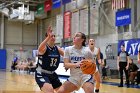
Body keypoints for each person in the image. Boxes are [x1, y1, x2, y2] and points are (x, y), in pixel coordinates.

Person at [35, 26, 64, 93]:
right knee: (50, 90)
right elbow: (40, 48)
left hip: (52, 74)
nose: (53, 37)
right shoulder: (44, 48)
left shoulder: (57, 48)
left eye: (54, 36)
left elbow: (67, 56)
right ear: (47, 37)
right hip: (42, 73)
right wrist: (48, 37)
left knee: (62, 91)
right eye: (51, 36)